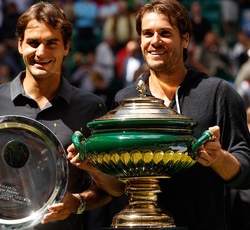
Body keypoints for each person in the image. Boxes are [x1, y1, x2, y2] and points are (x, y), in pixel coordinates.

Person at [0, 2, 124, 230]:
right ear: (20, 45)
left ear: (66, 47)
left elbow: (114, 189)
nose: (41, 52)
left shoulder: (91, 108)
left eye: (51, 43)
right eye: (33, 43)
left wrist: (77, 201)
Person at [107, 0, 250, 229]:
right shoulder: (123, 99)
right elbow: (116, 184)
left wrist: (218, 158)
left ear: (185, 39)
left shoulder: (218, 92)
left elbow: (246, 170)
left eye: (165, 33)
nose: (155, 41)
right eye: (147, 33)